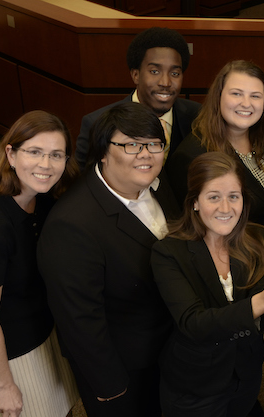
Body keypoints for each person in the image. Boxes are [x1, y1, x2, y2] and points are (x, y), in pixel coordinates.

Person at [38, 102, 180, 417]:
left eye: (154, 144)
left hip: (169, 350)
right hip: (124, 371)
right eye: (131, 144)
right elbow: (79, 321)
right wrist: (110, 385)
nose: (146, 154)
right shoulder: (72, 225)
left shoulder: (156, 180)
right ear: (103, 152)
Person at [0, 110, 79, 417]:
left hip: (41, 332)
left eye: (56, 155)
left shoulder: (45, 198)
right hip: (4, 352)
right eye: (34, 152)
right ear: (10, 154)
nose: (46, 165)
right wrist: (4, 386)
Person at [151, 152, 264, 416]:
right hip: (194, 387)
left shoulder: (258, 241)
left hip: (247, 376)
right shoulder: (168, 253)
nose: (226, 208)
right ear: (195, 202)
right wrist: (262, 301)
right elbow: (194, 324)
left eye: (234, 196)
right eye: (213, 197)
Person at [166, 60, 264, 228]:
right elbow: (189, 226)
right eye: (236, 94)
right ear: (218, 96)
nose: (246, 103)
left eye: (255, 96)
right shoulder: (191, 155)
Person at [75, 26, 201, 169]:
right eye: (154, 71)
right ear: (135, 75)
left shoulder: (199, 117)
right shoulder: (96, 123)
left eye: (175, 74)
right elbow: (83, 182)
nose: (165, 83)